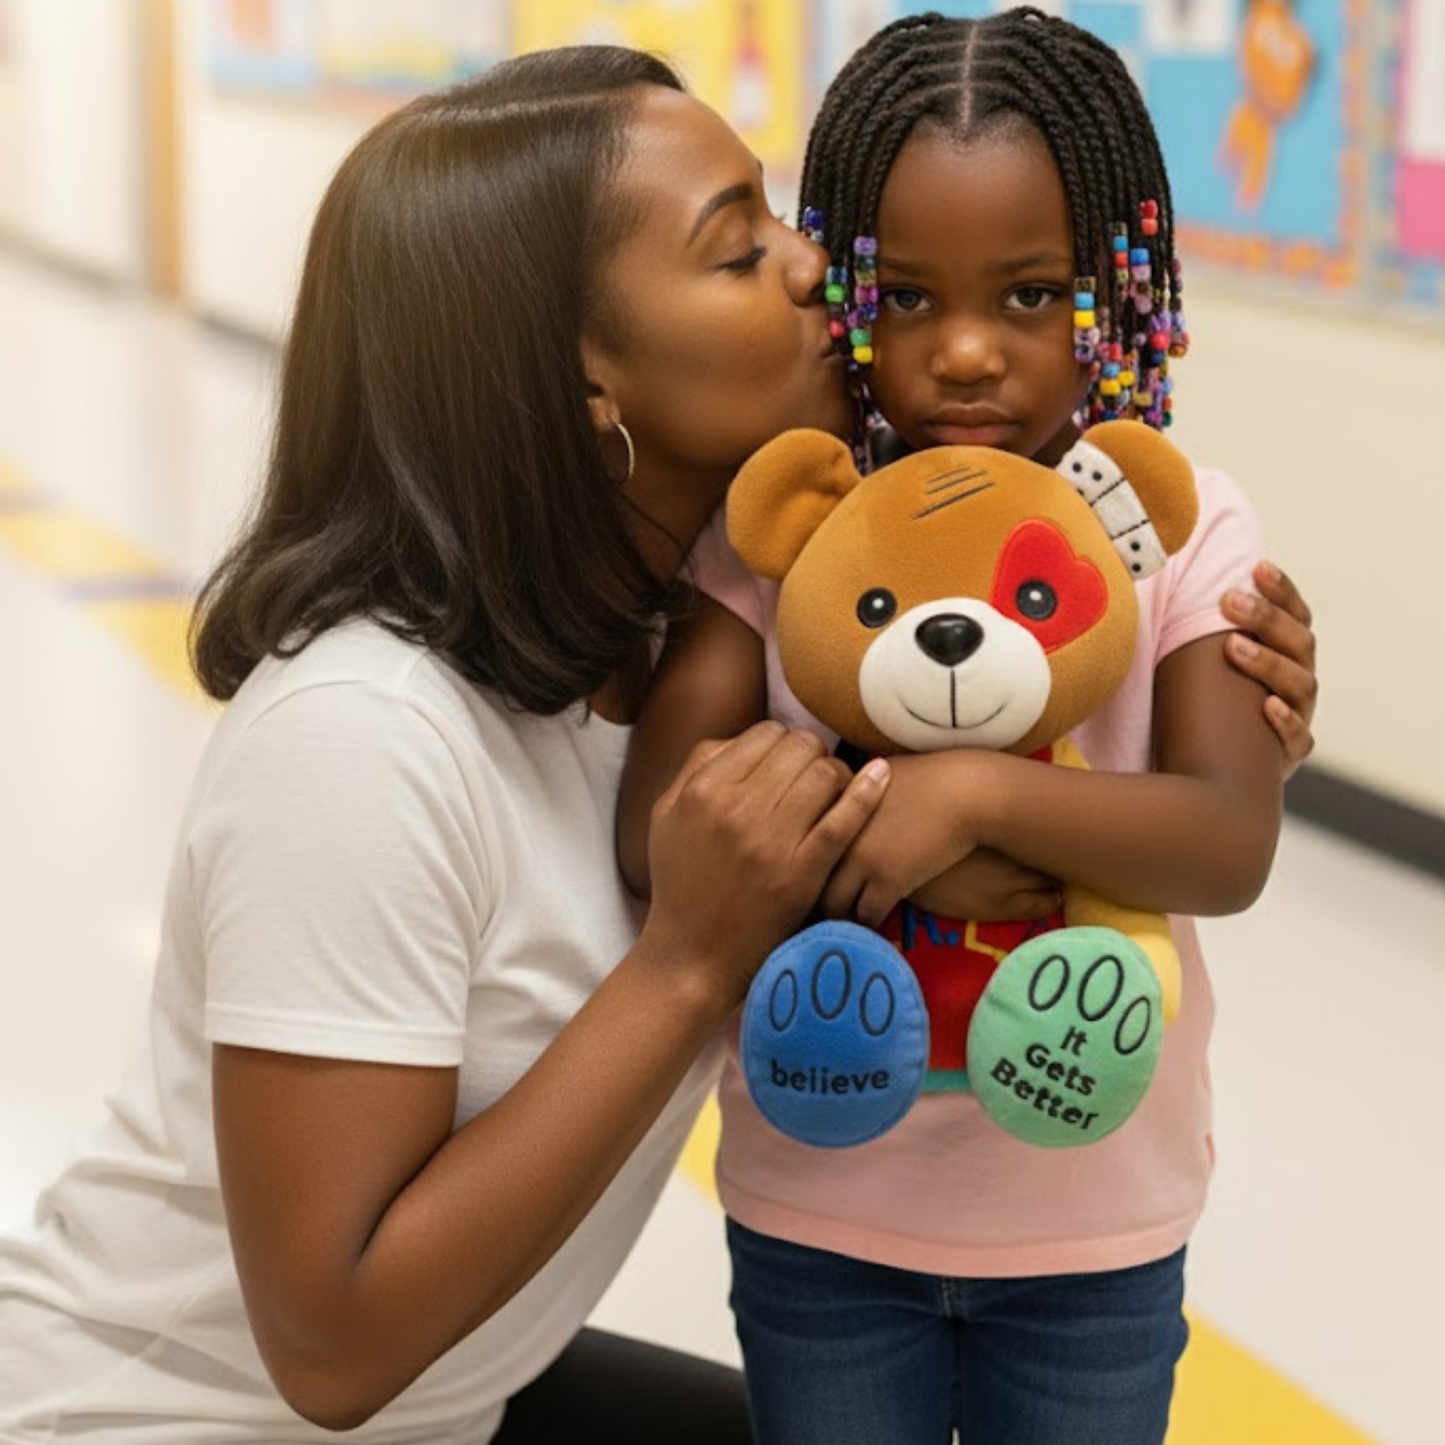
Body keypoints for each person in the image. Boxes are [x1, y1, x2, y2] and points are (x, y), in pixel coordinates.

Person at [0, 46, 895, 1444]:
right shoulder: (362, 738)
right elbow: (333, 1348)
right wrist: (687, 961)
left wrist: (1220, 659)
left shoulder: (694, 654)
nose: (808, 268)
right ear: (586, 381)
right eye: (737, 252)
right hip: (167, 1416)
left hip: (453, 1400)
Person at [616, 9, 1318, 1445]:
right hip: (823, 1216)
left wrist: (979, 802)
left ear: (1121, 291)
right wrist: (901, 840)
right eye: (911, 298)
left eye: (1034, 296)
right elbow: (656, 825)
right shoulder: (790, 522)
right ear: (843, 288)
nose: (967, 356)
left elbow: (1226, 839)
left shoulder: (1185, 527)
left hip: (1094, 1239)